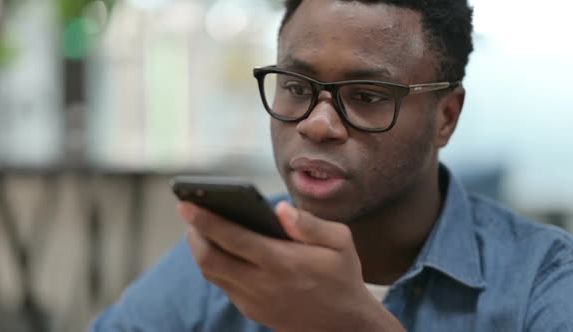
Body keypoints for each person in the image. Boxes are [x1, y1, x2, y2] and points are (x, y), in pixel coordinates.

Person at [92, 0, 573, 331]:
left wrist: (354, 325)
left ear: (445, 117)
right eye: (298, 88)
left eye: (366, 97)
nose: (318, 125)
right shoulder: (234, 259)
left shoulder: (544, 281)